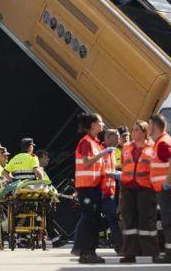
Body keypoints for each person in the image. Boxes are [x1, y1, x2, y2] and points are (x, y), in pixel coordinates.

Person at [119, 120, 158, 263]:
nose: (134, 133)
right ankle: (129, 253)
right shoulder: (126, 147)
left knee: (147, 220)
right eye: (133, 130)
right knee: (128, 221)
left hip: (146, 188)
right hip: (128, 188)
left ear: (144, 132)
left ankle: (152, 251)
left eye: (137, 130)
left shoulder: (152, 148)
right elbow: (124, 166)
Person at [74, 113, 110, 265]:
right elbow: (87, 162)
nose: (102, 124)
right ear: (93, 124)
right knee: (89, 220)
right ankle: (85, 252)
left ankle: (90, 252)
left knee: (93, 220)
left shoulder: (94, 143)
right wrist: (102, 153)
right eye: (100, 122)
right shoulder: (87, 142)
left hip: (93, 187)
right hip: (86, 187)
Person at [149, 114, 171, 264]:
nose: (148, 128)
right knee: (169, 221)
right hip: (167, 189)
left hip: (168, 189)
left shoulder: (162, 143)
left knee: (169, 222)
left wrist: (167, 182)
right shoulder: (161, 142)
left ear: (154, 126)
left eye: (149, 124)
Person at [101, 129, 122, 253]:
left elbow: (111, 170)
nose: (118, 140)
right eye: (116, 137)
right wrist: (119, 175)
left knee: (113, 219)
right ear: (108, 138)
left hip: (109, 193)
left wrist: (120, 174)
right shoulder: (101, 151)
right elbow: (102, 171)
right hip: (99, 192)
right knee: (88, 219)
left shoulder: (113, 152)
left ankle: (120, 246)